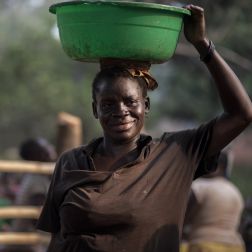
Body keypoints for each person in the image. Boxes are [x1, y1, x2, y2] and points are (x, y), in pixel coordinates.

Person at [36, 4, 252, 252]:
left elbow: (241, 114)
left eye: (130, 101)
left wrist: (203, 45)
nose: (120, 110)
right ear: (95, 110)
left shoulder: (175, 154)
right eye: (108, 104)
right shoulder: (71, 162)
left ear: (145, 106)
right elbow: (57, 239)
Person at [1, 138, 57, 252]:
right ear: (37, 154)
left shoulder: (36, 175)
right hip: (28, 245)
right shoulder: (37, 178)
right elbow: (37, 219)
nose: (51, 148)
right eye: (45, 146)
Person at [184, 151, 245, 252]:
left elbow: (184, 217)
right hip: (236, 246)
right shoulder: (235, 191)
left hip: (205, 244)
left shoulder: (200, 186)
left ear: (216, 165)